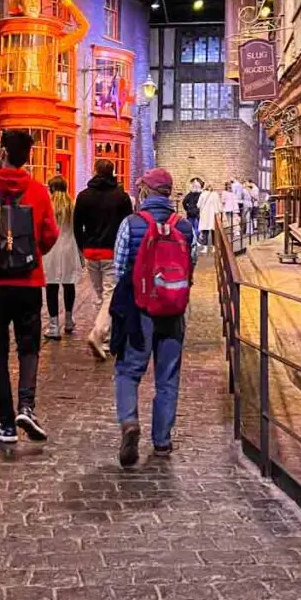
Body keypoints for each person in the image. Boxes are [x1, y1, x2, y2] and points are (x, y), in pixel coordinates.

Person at [0, 129, 59, 443]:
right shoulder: (38, 191)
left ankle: (6, 422)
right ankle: (27, 406)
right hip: (29, 281)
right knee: (29, 345)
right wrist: (32, 253)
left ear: (3, 151)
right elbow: (50, 234)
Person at [110, 168, 194, 467]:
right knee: (168, 377)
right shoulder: (183, 227)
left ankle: (130, 422)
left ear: (146, 191)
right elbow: (191, 266)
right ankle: (162, 441)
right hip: (173, 309)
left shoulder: (131, 223)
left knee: (128, 371)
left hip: (139, 309)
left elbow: (119, 268)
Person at [73, 159, 133, 360]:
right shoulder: (121, 197)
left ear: (95, 170)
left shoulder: (84, 196)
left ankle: (104, 336)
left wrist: (83, 247)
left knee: (100, 294)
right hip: (112, 251)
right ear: (112, 172)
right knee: (110, 295)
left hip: (91, 250)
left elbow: (77, 225)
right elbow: (128, 225)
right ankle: (100, 333)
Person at [43, 176, 83, 340]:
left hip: (51, 249)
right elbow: (78, 228)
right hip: (68, 248)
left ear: (52, 189)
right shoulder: (72, 205)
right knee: (69, 284)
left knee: (51, 286)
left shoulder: (47, 206)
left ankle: (53, 326)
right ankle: (68, 319)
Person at [198, 183, 222, 252]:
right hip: (213, 215)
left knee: (205, 231)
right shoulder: (215, 195)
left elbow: (198, 205)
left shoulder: (203, 194)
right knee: (214, 231)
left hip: (205, 215)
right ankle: (214, 247)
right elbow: (219, 205)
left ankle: (205, 248)